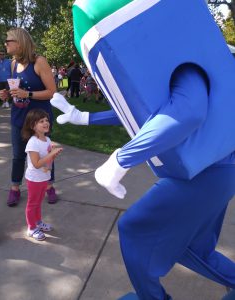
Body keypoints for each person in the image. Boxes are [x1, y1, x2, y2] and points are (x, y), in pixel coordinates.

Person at [51, 0, 235, 299]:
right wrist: (84, 118)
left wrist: (121, 159)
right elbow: (147, 113)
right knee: (193, 247)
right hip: (220, 169)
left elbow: (188, 112)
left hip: (206, 172)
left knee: (136, 231)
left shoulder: (184, 61)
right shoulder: (182, 54)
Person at [0, 27, 58, 206]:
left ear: (19, 42)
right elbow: (17, 90)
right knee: (18, 156)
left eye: (8, 40)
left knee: (45, 153)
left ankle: (49, 186)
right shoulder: (13, 63)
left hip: (39, 120)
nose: (5, 44)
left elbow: (52, 92)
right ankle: (15, 188)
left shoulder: (39, 62)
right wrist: (7, 94)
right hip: (18, 117)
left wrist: (28, 95)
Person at [21, 109, 62, 241]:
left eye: (46, 120)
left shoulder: (47, 139)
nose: (46, 123)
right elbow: (36, 164)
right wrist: (50, 154)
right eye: (41, 121)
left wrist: (53, 155)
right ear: (33, 126)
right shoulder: (33, 142)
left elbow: (48, 161)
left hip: (44, 177)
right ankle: (31, 228)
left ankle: (38, 222)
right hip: (34, 179)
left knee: (38, 202)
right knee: (32, 203)